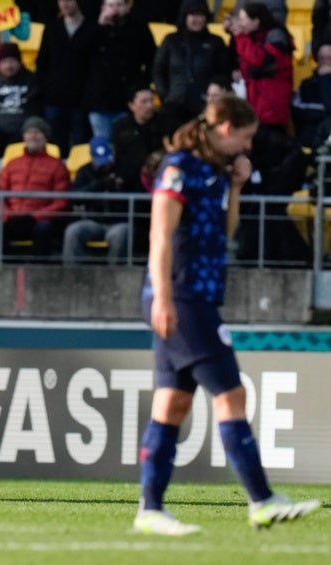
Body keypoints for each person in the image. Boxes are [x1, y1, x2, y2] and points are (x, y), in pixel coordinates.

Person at [134, 94, 320, 535]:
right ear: (223, 128)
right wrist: (162, 298)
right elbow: (160, 236)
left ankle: (151, 510)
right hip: (183, 298)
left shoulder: (214, 173)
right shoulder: (178, 167)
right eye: (245, 136)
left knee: (172, 403)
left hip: (197, 295)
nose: (248, 147)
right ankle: (262, 499)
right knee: (231, 394)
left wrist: (235, 187)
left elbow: (225, 232)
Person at [0, 116, 70, 257]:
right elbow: (0, 195)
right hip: (12, 218)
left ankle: (39, 271)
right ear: (24, 136)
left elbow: (61, 201)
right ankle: (3, 271)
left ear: (46, 138)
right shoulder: (12, 164)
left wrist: (35, 217)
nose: (33, 136)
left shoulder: (57, 165)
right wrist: (6, 215)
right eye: (29, 132)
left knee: (43, 229)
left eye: (38, 132)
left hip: (39, 220)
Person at [153, 0, 231, 136]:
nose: (197, 19)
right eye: (193, 15)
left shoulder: (215, 42)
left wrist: (212, 95)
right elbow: (158, 70)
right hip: (174, 104)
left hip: (203, 106)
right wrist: (165, 94)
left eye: (201, 15)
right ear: (185, 16)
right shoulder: (171, 40)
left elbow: (224, 73)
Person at [82, 0, 156, 139]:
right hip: (99, 101)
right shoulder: (92, 27)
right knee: (103, 144)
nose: (115, 9)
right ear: (103, 7)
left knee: (127, 142)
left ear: (128, 7)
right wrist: (99, 27)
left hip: (128, 99)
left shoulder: (139, 28)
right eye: (111, 5)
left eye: (120, 5)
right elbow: (79, 54)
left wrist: (142, 86)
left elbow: (152, 60)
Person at [36, 0, 96, 154]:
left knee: (80, 143)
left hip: (82, 98)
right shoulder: (52, 28)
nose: (64, 4)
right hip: (54, 97)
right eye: (61, 1)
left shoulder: (92, 28)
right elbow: (42, 62)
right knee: (56, 144)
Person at [61, 136, 133, 264]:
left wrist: (118, 186)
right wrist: (100, 184)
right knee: (73, 231)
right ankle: (72, 276)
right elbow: (75, 197)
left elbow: (133, 194)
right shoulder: (84, 171)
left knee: (121, 233)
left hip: (117, 221)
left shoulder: (124, 169)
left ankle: (115, 276)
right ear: (91, 155)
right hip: (92, 220)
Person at [229, 2, 294, 132]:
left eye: (243, 19)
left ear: (256, 21)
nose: (240, 24)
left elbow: (257, 59)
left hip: (271, 101)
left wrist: (240, 37)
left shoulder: (276, 36)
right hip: (255, 98)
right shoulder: (251, 37)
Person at [0, 42, 41, 156]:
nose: (8, 66)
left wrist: (27, 131)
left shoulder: (32, 82)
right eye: (4, 62)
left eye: (12, 61)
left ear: (19, 62)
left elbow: (35, 111)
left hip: (24, 134)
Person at [292, 42, 331, 148]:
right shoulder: (307, 84)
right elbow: (297, 110)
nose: (325, 62)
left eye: (329, 58)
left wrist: (326, 79)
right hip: (311, 136)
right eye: (322, 58)